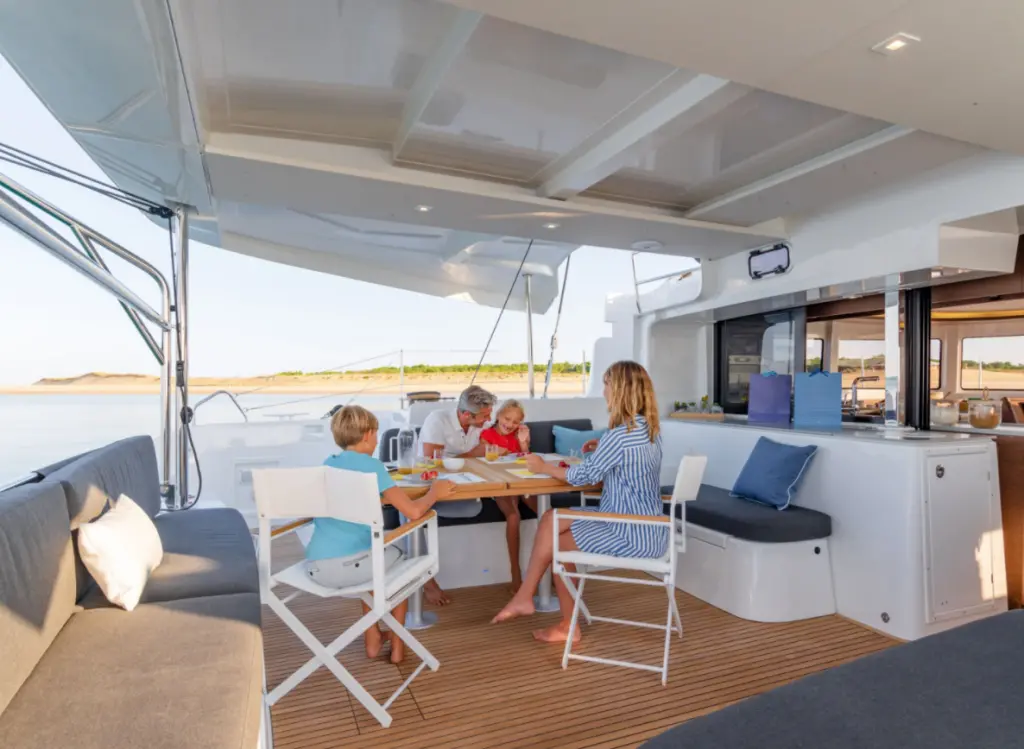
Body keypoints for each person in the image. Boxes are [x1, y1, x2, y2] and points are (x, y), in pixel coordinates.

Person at [491, 360, 665, 644]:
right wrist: (602, 448)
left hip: (627, 530)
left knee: (556, 540)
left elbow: (582, 476)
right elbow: (626, 467)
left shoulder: (620, 437)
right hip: (649, 527)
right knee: (551, 521)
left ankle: (553, 616)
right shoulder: (649, 431)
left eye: (607, 385)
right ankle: (532, 601)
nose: (604, 391)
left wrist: (543, 467)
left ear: (620, 390)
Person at [305, 405, 455, 663]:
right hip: (353, 567)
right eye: (376, 434)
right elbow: (414, 512)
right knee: (399, 564)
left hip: (317, 568)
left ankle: (372, 637)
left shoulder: (328, 464)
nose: (376, 440)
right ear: (367, 435)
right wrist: (435, 493)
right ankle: (397, 644)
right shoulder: (373, 467)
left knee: (374, 561)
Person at [417, 384, 497, 605]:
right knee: (412, 514)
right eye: (484, 416)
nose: (488, 420)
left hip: (462, 489)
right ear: (465, 414)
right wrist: (472, 454)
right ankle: (426, 580)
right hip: (428, 487)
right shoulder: (437, 420)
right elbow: (432, 462)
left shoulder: (479, 425)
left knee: (475, 507)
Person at [480, 399, 536, 592]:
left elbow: (527, 460)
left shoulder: (518, 436)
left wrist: (523, 442)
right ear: (498, 416)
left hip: (522, 483)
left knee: (547, 512)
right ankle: (515, 573)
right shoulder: (486, 435)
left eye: (515, 421)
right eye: (507, 419)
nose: (510, 424)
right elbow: (486, 462)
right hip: (501, 484)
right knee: (513, 516)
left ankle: (553, 568)